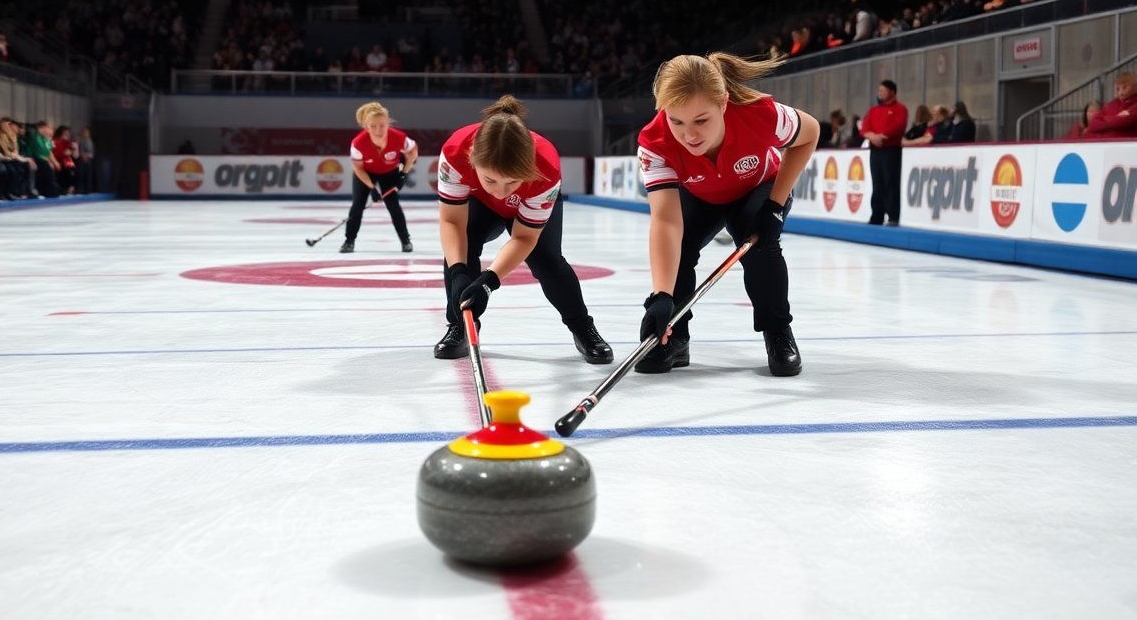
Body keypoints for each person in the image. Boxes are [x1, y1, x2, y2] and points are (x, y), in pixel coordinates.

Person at [634, 52, 820, 377]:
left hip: (758, 187)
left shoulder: (760, 114)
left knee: (759, 245)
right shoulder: (654, 141)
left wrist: (775, 206)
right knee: (680, 249)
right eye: (676, 121)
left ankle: (777, 331)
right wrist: (661, 295)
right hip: (700, 194)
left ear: (723, 104)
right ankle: (674, 337)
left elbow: (810, 134)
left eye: (701, 120)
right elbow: (665, 221)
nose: (689, 135)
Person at [433, 95, 613, 365]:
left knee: (547, 261)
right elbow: (451, 222)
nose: (500, 191)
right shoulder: (456, 152)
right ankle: (460, 325)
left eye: (512, 182)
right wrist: (459, 271)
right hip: (479, 204)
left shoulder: (546, 166)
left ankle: (582, 327)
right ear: (472, 158)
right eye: (490, 179)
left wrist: (489, 281)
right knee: (462, 247)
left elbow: (525, 237)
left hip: (527, 208)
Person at [340, 102, 416, 253]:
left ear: (388, 123)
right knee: (357, 206)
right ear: (366, 127)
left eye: (382, 125)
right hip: (365, 174)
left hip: (389, 172)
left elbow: (412, 152)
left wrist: (403, 173)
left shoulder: (399, 138)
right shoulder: (358, 143)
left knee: (394, 206)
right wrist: (371, 188)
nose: (378, 130)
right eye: (373, 126)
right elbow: (358, 168)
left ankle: (405, 240)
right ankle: (349, 241)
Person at [860, 80, 907, 225]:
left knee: (891, 182)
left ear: (892, 91)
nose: (879, 93)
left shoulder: (900, 109)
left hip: (891, 150)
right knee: (877, 183)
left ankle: (893, 216)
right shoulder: (874, 110)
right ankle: (877, 215)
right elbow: (864, 128)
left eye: (883, 90)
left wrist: (882, 136)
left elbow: (899, 126)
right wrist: (872, 136)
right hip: (876, 151)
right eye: (879, 90)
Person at [1085, 73, 1137, 138]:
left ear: (1135, 87)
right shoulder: (1113, 104)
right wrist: (1115, 118)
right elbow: (1093, 124)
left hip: (1131, 147)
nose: (1120, 92)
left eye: (1124, 88)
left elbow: (1123, 122)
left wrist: (1104, 120)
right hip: (1106, 146)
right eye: (1118, 89)